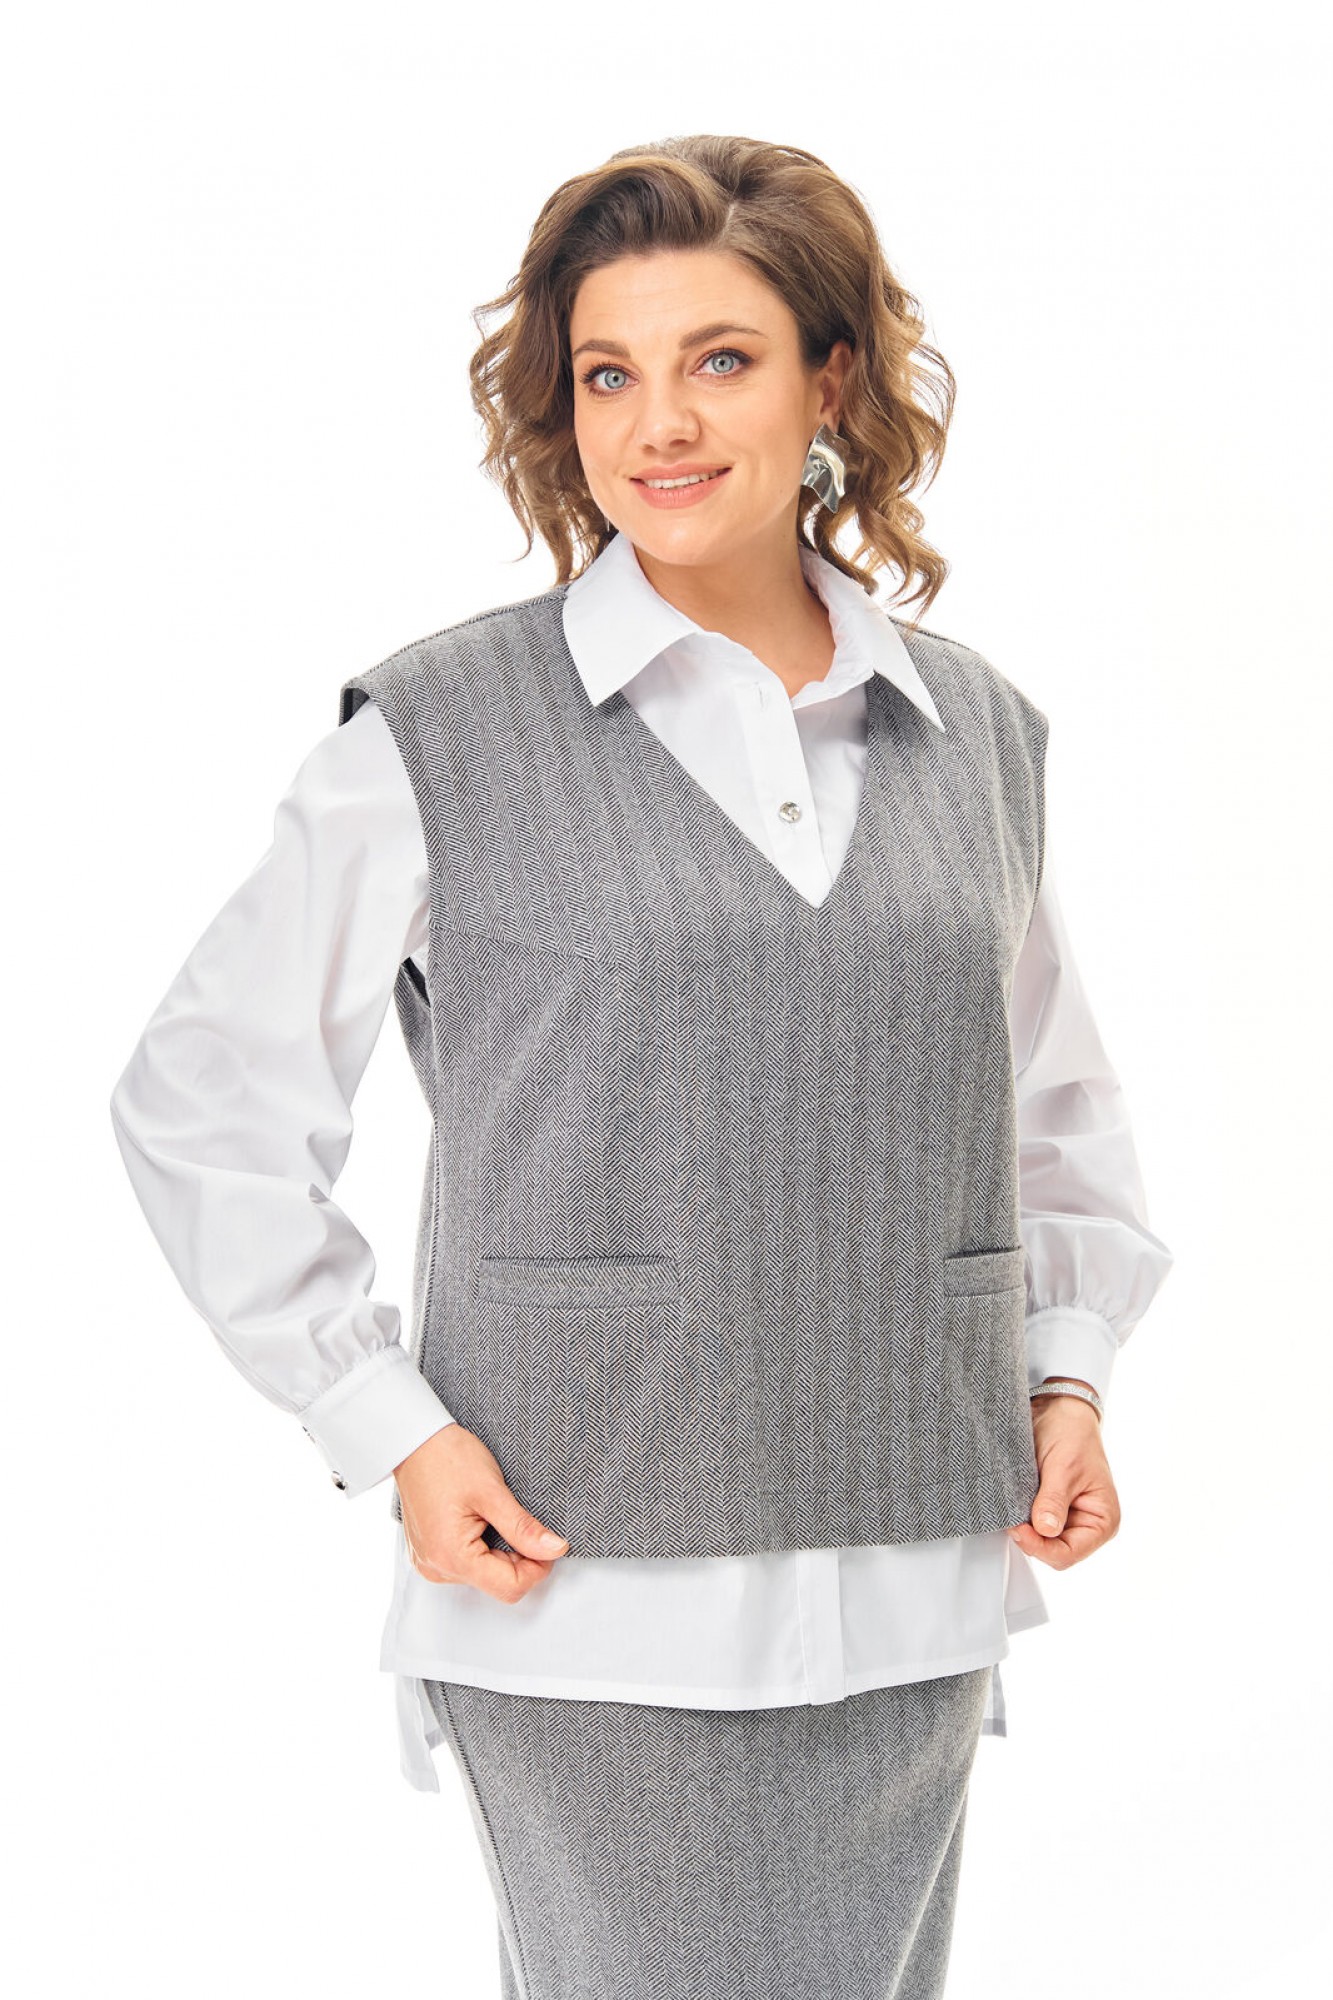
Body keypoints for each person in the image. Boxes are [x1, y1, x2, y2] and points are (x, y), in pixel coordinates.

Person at [110, 134, 1174, 2000]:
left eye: (719, 360)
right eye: (608, 373)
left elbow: (1050, 1115)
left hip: (915, 1581)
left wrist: (1066, 1373)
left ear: (829, 383)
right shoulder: (438, 731)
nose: (657, 424)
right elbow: (201, 1099)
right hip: (586, 1589)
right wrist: (386, 1426)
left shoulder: (978, 733)